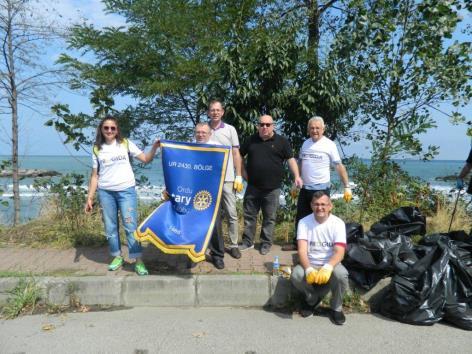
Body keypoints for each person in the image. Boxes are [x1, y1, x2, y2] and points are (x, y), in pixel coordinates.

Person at [84, 116, 160, 275]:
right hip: (105, 192)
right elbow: (95, 176)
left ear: (117, 130)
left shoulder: (125, 143)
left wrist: (154, 148)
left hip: (126, 191)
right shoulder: (97, 148)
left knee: (130, 226)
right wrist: (90, 197)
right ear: (101, 130)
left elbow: (145, 159)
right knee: (110, 227)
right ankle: (117, 256)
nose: (109, 131)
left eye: (113, 128)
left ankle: (138, 260)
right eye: (106, 128)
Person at [283, 116, 352, 251]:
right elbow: (301, 163)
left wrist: (347, 186)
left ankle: (321, 245)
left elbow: (339, 166)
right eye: (312, 128)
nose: (315, 130)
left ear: (323, 129)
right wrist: (295, 182)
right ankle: (298, 244)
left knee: (320, 217)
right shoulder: (306, 143)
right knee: (301, 218)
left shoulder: (329, 145)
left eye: (317, 128)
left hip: (321, 189)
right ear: (308, 129)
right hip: (305, 188)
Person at [239, 115, 303, 255]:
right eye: (262, 124)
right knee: (250, 216)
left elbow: (291, 160)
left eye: (268, 124)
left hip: (272, 189)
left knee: (269, 218)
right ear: (258, 126)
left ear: (273, 126)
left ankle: (266, 244)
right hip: (252, 187)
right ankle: (247, 242)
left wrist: (297, 176)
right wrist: (242, 174)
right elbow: (238, 156)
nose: (264, 127)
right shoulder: (250, 140)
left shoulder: (282, 142)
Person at [290, 191, 349, 325]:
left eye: (323, 204)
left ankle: (336, 308)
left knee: (342, 274)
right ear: (311, 205)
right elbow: (302, 250)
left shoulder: (338, 223)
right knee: (296, 275)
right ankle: (312, 299)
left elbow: (340, 252)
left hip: (330, 263)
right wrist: (308, 269)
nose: (319, 207)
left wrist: (328, 267)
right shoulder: (304, 222)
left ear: (330, 206)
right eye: (316, 204)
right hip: (310, 262)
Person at [207, 100, 243, 259]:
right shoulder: (204, 130)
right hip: (208, 180)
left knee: (231, 213)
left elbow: (236, 154)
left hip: (227, 178)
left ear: (222, 112)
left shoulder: (230, 130)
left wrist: (239, 175)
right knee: (209, 215)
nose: (215, 112)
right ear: (208, 112)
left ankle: (234, 244)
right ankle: (209, 245)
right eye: (212, 110)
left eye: (217, 110)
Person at [194, 122, 226, 269]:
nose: (200, 135)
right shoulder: (189, 148)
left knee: (215, 224)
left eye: (203, 132)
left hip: (212, 191)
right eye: (198, 132)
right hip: (193, 191)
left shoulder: (217, 149)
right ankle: (193, 253)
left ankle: (217, 255)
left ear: (209, 134)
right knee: (193, 223)